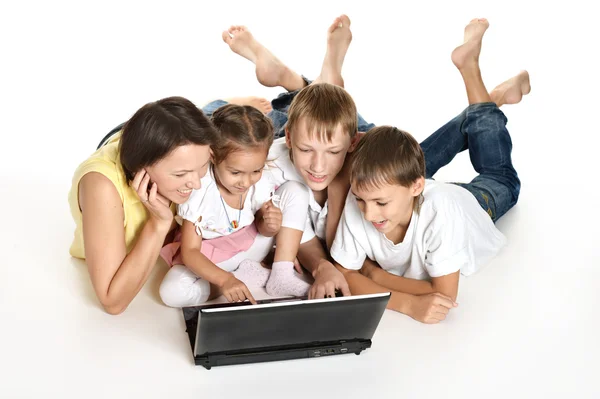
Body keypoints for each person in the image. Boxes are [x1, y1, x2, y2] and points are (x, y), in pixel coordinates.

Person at [214, 15, 530, 300]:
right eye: (305, 151)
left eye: (335, 153)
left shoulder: (366, 159)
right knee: (320, 129)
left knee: (485, 179)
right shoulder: (269, 162)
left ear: (353, 144)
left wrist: (340, 193)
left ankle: (313, 83)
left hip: (382, 166)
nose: (318, 167)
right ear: (288, 140)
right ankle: (306, 83)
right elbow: (215, 142)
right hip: (364, 165)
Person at [330, 18, 530, 324]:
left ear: (416, 186)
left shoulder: (441, 212)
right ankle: (493, 99)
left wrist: (373, 274)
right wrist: (406, 301)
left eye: (379, 204)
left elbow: (443, 293)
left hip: (468, 204)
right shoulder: (368, 192)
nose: (368, 215)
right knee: (396, 161)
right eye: (361, 201)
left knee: (503, 179)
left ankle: (473, 72)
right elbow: (346, 273)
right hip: (412, 194)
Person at [68, 97, 220, 315]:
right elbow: (113, 302)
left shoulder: (195, 152)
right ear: (142, 170)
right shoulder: (101, 187)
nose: (196, 184)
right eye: (180, 174)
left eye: (203, 166)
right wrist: (158, 223)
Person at [158, 104, 311, 307]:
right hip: (213, 258)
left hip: (253, 245)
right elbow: (190, 252)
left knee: (295, 190)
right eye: (235, 173)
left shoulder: (261, 180)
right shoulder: (201, 190)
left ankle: (281, 275)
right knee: (172, 292)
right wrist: (225, 280)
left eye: (255, 171)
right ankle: (242, 278)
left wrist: (270, 226)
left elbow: (264, 230)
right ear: (213, 156)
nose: (245, 182)